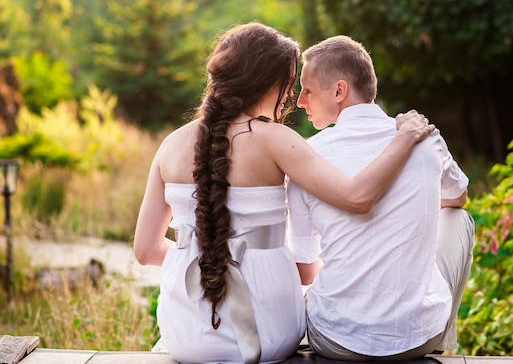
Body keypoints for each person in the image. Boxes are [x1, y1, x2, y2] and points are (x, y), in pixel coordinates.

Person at [133, 22, 435, 364]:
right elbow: (357, 198)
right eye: (288, 85)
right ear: (266, 83)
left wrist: (208, 257)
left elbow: (145, 251)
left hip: (185, 335)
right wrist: (405, 138)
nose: (291, 97)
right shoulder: (277, 139)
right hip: (269, 335)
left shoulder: (170, 145)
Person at [287, 35, 475, 361]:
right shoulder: (424, 138)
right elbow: (459, 198)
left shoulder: (308, 157)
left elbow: (305, 271)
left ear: (339, 91)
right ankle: (440, 332)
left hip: (334, 338)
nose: (301, 101)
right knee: (459, 219)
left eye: (307, 89)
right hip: (418, 337)